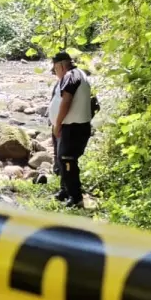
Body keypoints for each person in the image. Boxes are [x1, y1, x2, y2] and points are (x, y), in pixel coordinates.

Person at [48, 51, 92, 207]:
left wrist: (58, 123)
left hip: (74, 127)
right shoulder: (77, 75)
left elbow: (67, 100)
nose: (54, 72)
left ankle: (76, 197)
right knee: (62, 158)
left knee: (67, 160)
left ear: (60, 65)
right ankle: (65, 190)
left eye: (54, 68)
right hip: (71, 126)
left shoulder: (72, 75)